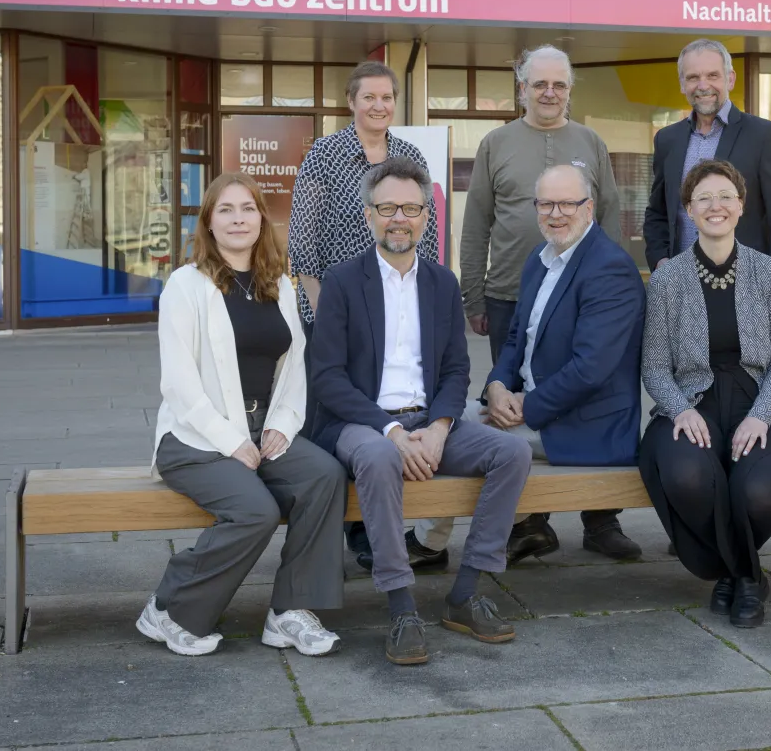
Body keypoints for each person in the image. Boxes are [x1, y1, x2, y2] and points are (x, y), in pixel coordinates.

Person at [308, 157, 533, 666]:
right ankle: (401, 606)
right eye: (387, 207)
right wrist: (390, 430)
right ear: (369, 215)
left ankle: (466, 593)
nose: (399, 218)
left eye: (411, 208)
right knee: (381, 458)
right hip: (360, 423)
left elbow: (456, 370)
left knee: (512, 454)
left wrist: (438, 427)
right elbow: (326, 378)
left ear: (427, 217)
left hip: (428, 420)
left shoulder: (440, 283)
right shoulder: (342, 281)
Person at [138, 173, 345, 658]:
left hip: (263, 429)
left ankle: (291, 612)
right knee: (256, 511)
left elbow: (295, 364)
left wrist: (282, 423)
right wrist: (231, 441)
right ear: (208, 221)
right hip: (195, 438)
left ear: (261, 219)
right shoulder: (185, 286)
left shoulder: (280, 284)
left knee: (324, 475)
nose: (238, 218)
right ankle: (170, 608)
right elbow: (178, 382)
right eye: (226, 209)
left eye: (248, 209)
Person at [420, 165, 646, 565]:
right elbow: (514, 340)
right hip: (531, 410)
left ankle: (430, 544)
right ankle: (526, 526)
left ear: (589, 208)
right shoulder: (539, 260)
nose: (555, 213)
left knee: (454, 435)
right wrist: (496, 388)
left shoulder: (610, 268)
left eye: (567, 204)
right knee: (441, 419)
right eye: (545, 204)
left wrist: (526, 407)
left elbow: (591, 368)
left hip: (585, 425)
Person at [287, 60, 443, 574]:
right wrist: (325, 311)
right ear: (351, 101)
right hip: (335, 311)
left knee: (388, 404)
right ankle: (331, 524)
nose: (379, 105)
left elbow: (431, 233)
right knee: (339, 416)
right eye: (369, 96)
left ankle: (372, 531)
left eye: (387, 97)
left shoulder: (410, 155)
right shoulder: (325, 155)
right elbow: (304, 243)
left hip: (398, 307)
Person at [639, 159, 771, 629]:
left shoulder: (770, 272)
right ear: (689, 210)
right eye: (703, 199)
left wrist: (761, 416)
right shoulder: (668, 279)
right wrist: (677, 410)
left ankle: (737, 576)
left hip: (760, 399)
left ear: (741, 205)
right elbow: (653, 365)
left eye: (725, 197)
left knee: (761, 492)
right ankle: (746, 575)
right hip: (694, 399)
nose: (715, 206)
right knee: (688, 477)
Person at [461, 45, 622, 364]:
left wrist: (610, 292)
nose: (550, 93)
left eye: (559, 85)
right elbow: (476, 225)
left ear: (569, 90)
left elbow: (609, 220)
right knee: (509, 398)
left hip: (579, 295)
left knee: (572, 395)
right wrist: (474, 299)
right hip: (509, 295)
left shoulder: (591, 143)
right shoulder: (495, 143)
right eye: (540, 85)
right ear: (523, 89)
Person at [644, 39, 771, 283]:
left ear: (730, 79)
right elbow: (657, 213)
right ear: (682, 84)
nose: (703, 85)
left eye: (712, 75)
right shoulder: (667, 140)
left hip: (746, 288)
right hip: (681, 286)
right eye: (693, 77)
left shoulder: (763, 136)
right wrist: (660, 261)